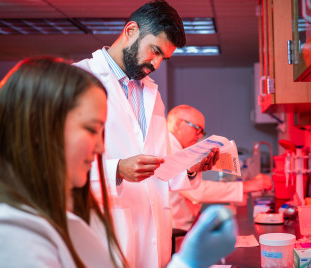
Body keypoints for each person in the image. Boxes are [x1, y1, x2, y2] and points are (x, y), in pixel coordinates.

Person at [0, 57, 236, 268]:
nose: (101, 147)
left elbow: (164, 172)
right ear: (38, 129)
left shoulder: (63, 210)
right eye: (92, 129)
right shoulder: (13, 235)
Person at [73, 1, 219, 267]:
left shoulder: (151, 93)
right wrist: (116, 170)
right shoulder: (77, 79)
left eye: (164, 57)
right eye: (155, 51)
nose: (157, 64)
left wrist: (189, 168)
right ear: (130, 30)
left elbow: (161, 165)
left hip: (155, 237)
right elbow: (51, 164)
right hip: (105, 236)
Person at [167, 105, 273, 233]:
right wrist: (247, 186)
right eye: (197, 129)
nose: (200, 136)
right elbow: (197, 192)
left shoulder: (177, 149)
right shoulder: (169, 150)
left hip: (183, 224)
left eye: (202, 132)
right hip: (175, 229)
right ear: (178, 124)